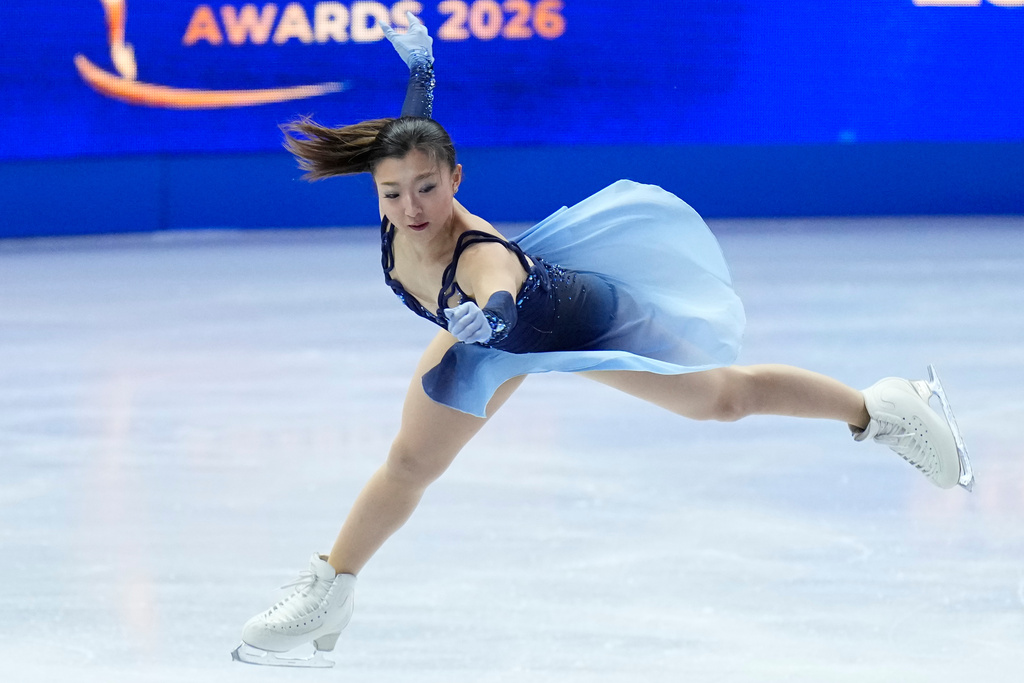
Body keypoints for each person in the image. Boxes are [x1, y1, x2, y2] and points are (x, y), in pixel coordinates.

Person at [230, 14, 974, 668]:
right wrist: (422, 72)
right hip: (497, 345)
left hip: (582, 317)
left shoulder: (477, 255)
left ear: (455, 178)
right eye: (393, 192)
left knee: (720, 398)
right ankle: (331, 591)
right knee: (409, 460)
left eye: (429, 187)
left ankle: (885, 406)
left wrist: (485, 317)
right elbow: (407, 142)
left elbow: (499, 292)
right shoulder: (398, 203)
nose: (412, 205)